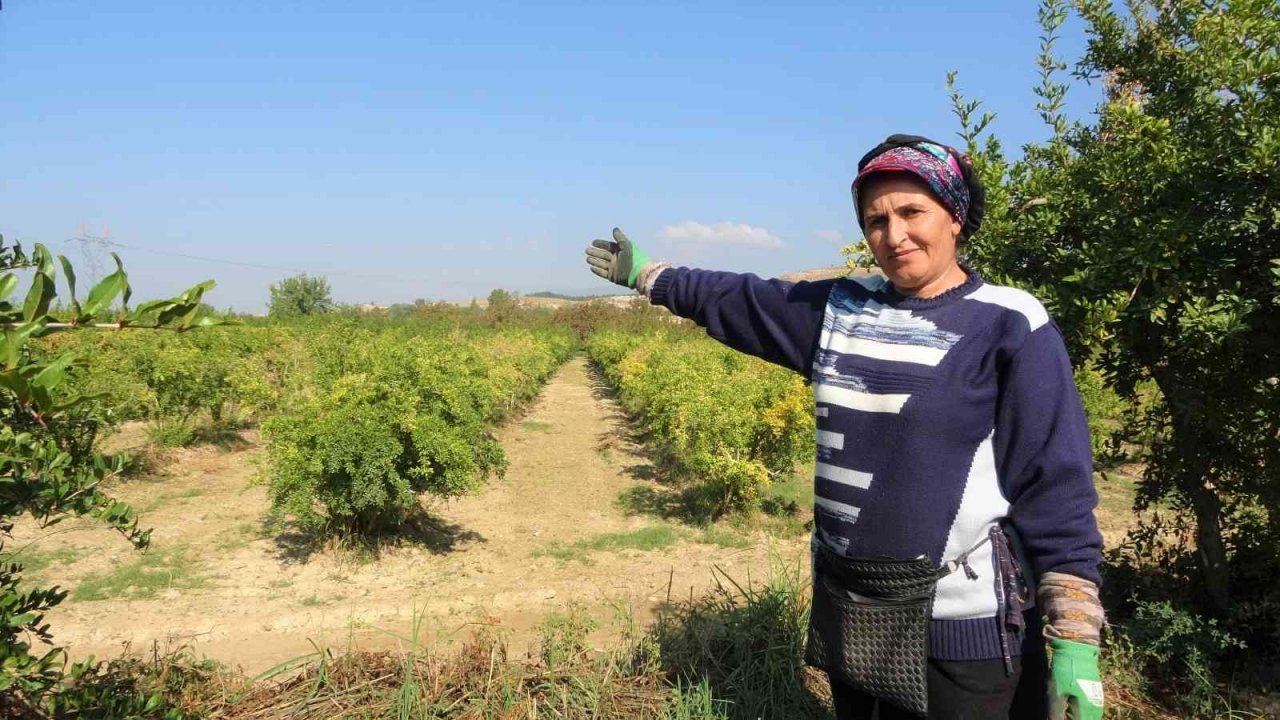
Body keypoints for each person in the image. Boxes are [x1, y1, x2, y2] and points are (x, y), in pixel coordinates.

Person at [584, 135, 1106, 720]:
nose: (894, 235)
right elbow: (741, 299)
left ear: (955, 217)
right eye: (875, 220)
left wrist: (1075, 640)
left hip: (966, 631)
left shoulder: (1009, 323)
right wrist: (649, 275)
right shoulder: (842, 310)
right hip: (852, 610)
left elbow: (1054, 486)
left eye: (913, 212)